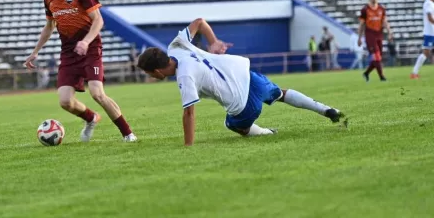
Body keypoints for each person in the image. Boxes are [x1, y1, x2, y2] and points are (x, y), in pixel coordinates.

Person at [136, 18, 344, 146]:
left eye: (149, 74)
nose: (150, 77)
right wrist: (214, 42)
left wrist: (188, 147)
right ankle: (326, 109)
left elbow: (189, 112)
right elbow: (199, 22)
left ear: (156, 71)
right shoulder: (176, 45)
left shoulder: (184, 76)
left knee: (234, 125)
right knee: (281, 93)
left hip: (243, 105)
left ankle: (265, 132)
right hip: (247, 75)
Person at [23, 0, 137, 142]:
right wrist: (35, 51)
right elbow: (49, 26)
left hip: (90, 49)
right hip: (69, 53)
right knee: (65, 102)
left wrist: (86, 41)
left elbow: (98, 20)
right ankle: (91, 118)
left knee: (97, 93)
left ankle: (128, 134)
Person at [358, 0, 393, 82]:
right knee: (377, 56)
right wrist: (359, 38)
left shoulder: (381, 9)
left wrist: (389, 32)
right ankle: (382, 77)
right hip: (370, 34)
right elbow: (361, 24)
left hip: (379, 34)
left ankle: (366, 73)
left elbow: (385, 22)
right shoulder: (365, 10)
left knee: (378, 58)